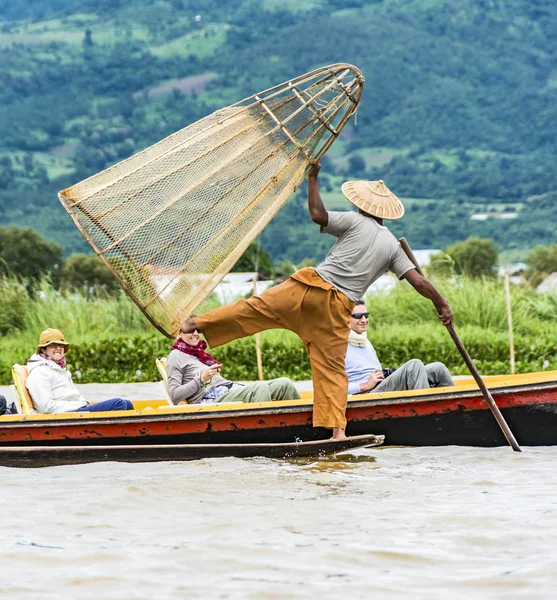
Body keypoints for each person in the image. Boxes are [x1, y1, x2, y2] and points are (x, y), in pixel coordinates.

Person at [183, 165, 454, 439]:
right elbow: (419, 282)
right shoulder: (393, 248)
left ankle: (195, 323)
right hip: (335, 311)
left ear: (364, 207)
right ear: (385, 215)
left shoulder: (354, 220)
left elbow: (317, 215)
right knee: (333, 371)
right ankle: (337, 433)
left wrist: (313, 178)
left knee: (253, 309)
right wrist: (442, 304)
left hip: (307, 289)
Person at [166, 324, 300, 404]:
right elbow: (174, 396)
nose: (195, 334)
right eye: (190, 330)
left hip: (228, 390)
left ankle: (305, 427)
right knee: (260, 388)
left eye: (198, 330)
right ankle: (267, 433)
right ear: (179, 334)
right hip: (210, 400)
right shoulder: (176, 356)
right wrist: (201, 379)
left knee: (284, 383)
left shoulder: (199, 354)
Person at [346, 302, 454, 394]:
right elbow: (330, 388)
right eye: (358, 316)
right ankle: (424, 415)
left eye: (366, 315)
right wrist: (364, 385)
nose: (364, 320)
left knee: (438, 369)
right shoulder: (338, 346)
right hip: (366, 394)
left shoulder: (362, 339)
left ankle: (455, 414)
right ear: (346, 318)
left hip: (380, 385)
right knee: (414, 365)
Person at [26, 328, 134, 414]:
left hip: (75, 410)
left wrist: (84, 403)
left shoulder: (60, 369)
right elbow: (46, 407)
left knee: (127, 403)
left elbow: (74, 395)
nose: (58, 348)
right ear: (43, 349)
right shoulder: (38, 373)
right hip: (67, 415)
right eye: (53, 345)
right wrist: (79, 405)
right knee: (118, 403)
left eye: (61, 345)